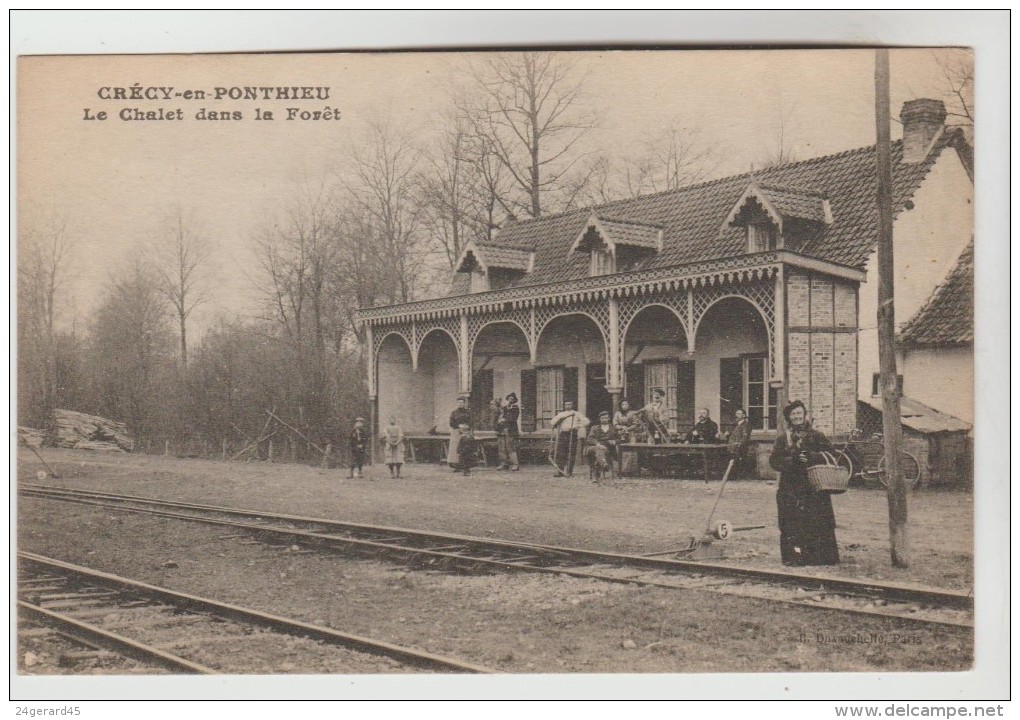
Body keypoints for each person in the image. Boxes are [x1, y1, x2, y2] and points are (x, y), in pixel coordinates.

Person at [769, 400, 840, 566]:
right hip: (790, 487)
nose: (797, 417)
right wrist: (792, 460)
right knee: (791, 521)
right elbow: (774, 461)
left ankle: (821, 558)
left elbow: (832, 455)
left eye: (799, 413)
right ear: (789, 418)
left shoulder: (816, 435)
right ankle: (794, 558)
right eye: (793, 414)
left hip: (814, 486)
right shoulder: (782, 439)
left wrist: (812, 456)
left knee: (816, 520)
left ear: (804, 414)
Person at [549, 401, 590, 477]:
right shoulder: (561, 414)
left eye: (569, 404)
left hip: (572, 434)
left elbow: (587, 421)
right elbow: (552, 422)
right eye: (566, 404)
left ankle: (569, 471)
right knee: (560, 452)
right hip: (563, 434)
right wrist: (557, 422)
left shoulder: (576, 413)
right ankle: (560, 471)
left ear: (572, 405)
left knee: (571, 453)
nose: (568, 406)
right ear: (564, 405)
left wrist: (579, 425)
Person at [585, 411, 619, 482]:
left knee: (600, 453)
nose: (604, 419)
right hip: (594, 447)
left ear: (609, 419)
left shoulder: (613, 428)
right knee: (599, 450)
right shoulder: (594, 428)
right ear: (600, 419)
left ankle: (595, 476)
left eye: (606, 418)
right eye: (602, 418)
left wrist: (614, 441)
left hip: (607, 448)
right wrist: (598, 444)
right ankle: (604, 463)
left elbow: (618, 438)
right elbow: (589, 439)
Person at [496, 392, 521, 471]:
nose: (510, 400)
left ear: (514, 400)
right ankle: (504, 464)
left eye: (512, 399)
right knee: (502, 448)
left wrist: (504, 420)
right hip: (502, 430)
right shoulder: (504, 408)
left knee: (510, 448)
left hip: (510, 430)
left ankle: (515, 464)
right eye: (509, 398)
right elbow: (498, 416)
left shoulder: (515, 408)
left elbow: (512, 419)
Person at [726, 408, 753, 479]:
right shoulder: (735, 425)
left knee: (739, 462)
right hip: (732, 447)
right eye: (736, 414)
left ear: (743, 415)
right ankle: (734, 476)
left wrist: (739, 444)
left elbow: (745, 437)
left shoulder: (746, 425)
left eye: (738, 414)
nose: (736, 415)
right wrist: (727, 434)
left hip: (740, 448)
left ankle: (740, 477)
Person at [446, 398, 471, 471]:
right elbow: (451, 423)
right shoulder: (454, 413)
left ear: (464, 403)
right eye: (459, 402)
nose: (460, 404)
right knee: (455, 448)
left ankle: (465, 465)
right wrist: (458, 425)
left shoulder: (468, 412)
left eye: (462, 402)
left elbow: (471, 421)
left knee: (465, 448)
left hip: (465, 431)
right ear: (457, 403)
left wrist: (466, 426)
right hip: (456, 431)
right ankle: (456, 465)